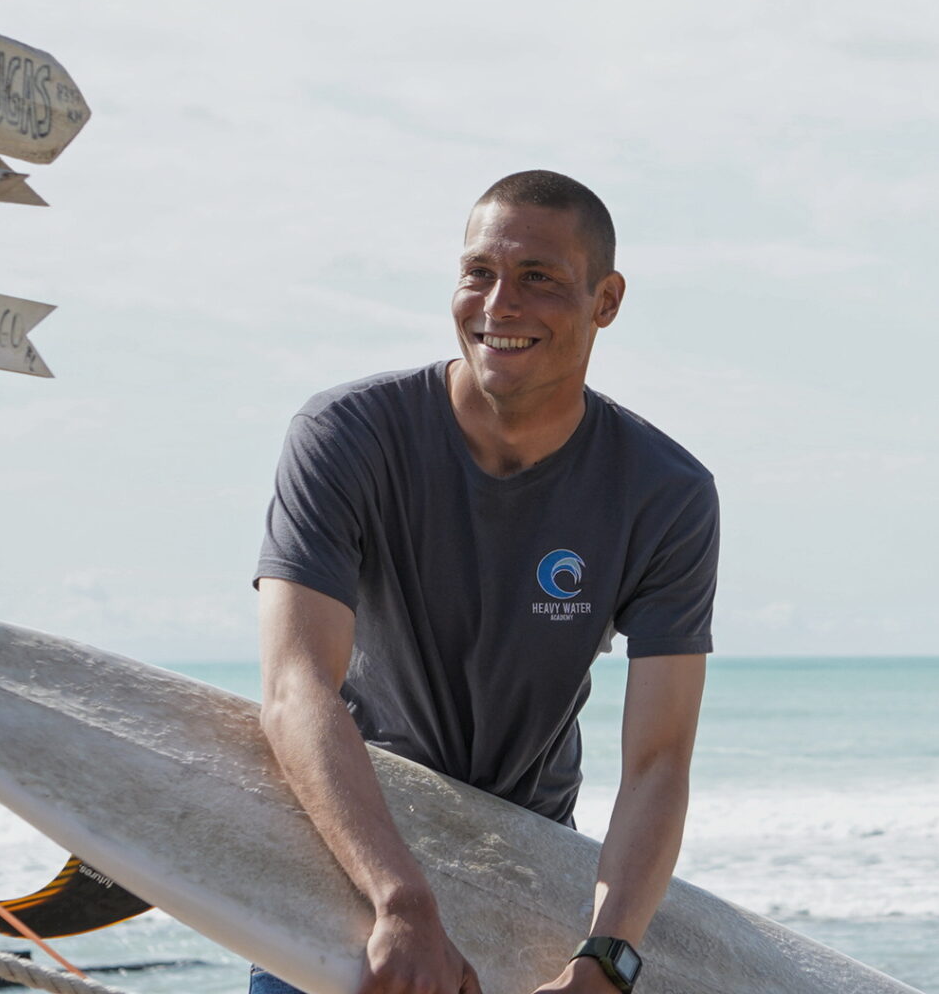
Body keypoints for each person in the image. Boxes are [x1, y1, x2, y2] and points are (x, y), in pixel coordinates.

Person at [252, 170, 718, 994]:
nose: (499, 304)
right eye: (478, 272)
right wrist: (400, 902)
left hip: (523, 871)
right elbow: (296, 687)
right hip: (350, 850)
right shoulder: (347, 435)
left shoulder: (663, 492)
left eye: (538, 278)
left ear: (605, 301)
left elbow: (657, 761)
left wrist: (606, 957)